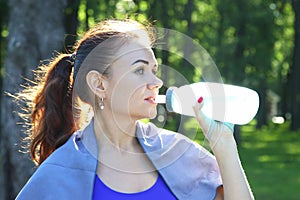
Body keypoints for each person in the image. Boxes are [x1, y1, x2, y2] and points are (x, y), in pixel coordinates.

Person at [15, 18, 254, 200]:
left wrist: (224, 144)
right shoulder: (58, 173)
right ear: (99, 84)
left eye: (154, 70)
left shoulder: (179, 153)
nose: (157, 82)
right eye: (140, 70)